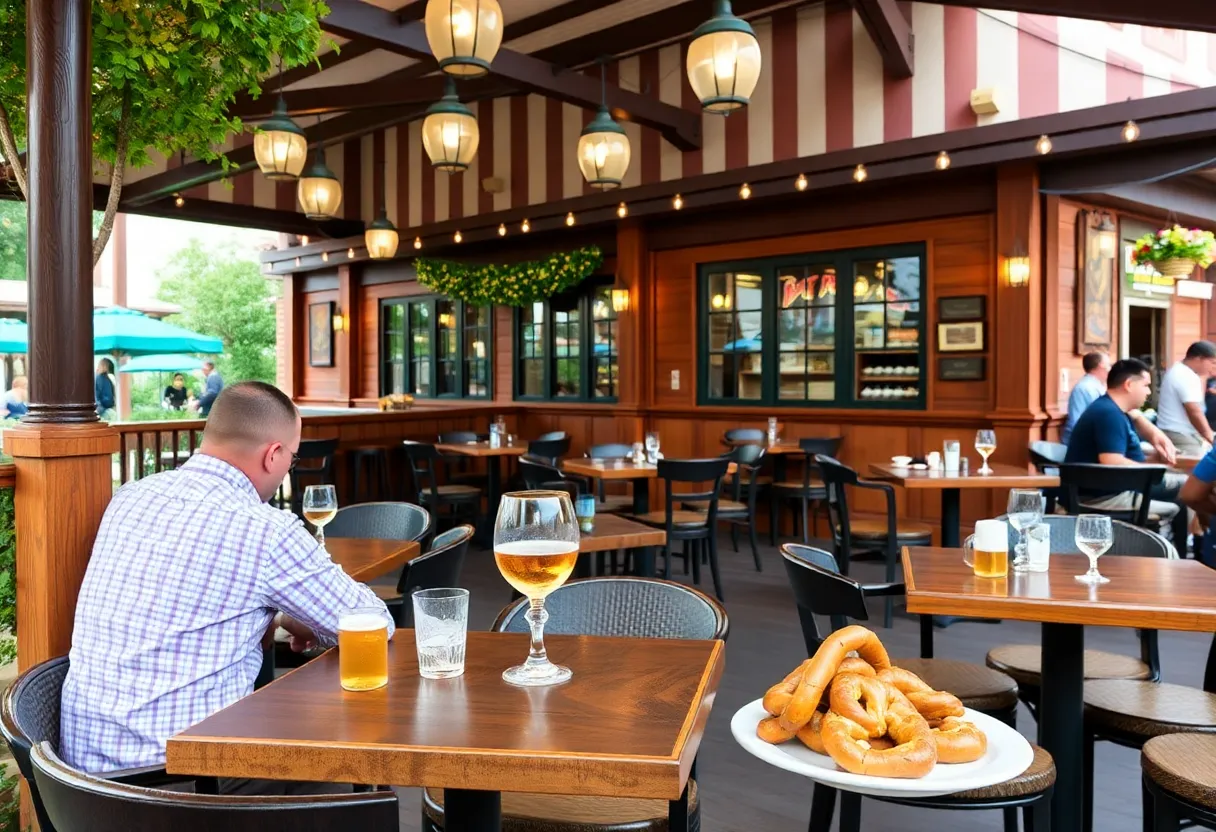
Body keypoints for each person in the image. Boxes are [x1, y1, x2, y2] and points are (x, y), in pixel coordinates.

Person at [60, 381, 393, 792]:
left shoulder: (131, 496)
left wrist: (285, 611)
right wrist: (305, 618)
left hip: (78, 784)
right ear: (273, 455)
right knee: (346, 767)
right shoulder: (265, 530)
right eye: (291, 457)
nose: (288, 466)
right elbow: (375, 622)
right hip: (183, 782)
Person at [1064, 357, 1187, 547]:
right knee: (1189, 487)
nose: (1148, 391)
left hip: (1117, 486)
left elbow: (1123, 460)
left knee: (1188, 486)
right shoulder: (1108, 414)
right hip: (1105, 496)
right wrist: (1152, 470)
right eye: (1146, 385)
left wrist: (1153, 461)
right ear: (1129, 385)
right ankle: (1178, 555)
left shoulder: (1113, 409)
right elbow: (1111, 461)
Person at [1156, 340, 1216, 456]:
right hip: (1178, 433)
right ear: (1199, 359)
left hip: (1183, 431)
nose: (1213, 367)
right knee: (1200, 465)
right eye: (1212, 363)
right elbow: (1194, 411)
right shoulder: (1185, 376)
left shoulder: (1182, 371)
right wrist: (1209, 436)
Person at [1062, 351, 1111, 444]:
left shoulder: (1098, 386)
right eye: (1109, 365)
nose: (1110, 369)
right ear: (1101, 365)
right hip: (1080, 446)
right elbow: (1076, 423)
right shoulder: (1084, 388)